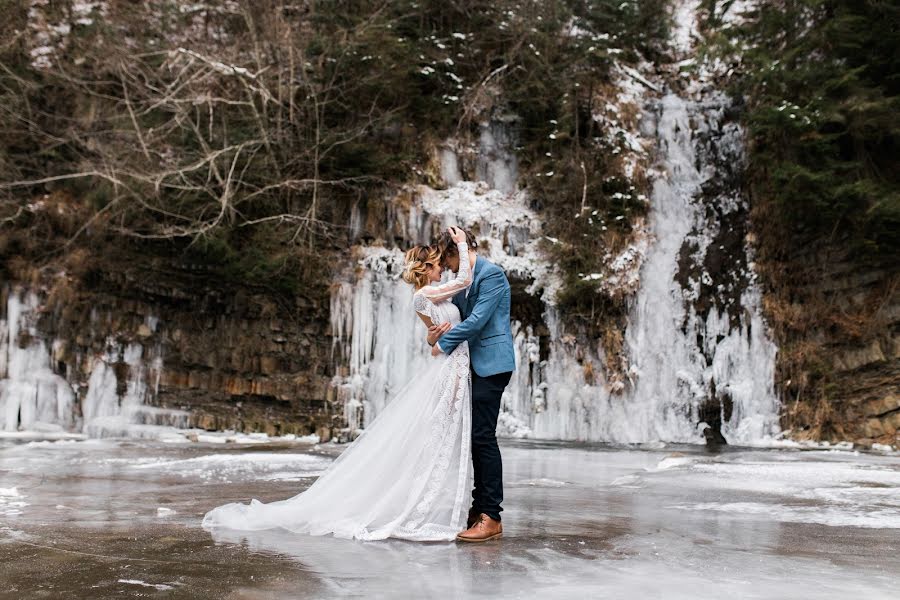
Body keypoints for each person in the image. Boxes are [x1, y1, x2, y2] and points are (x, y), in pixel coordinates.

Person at [201, 226, 479, 542]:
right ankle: (427, 506)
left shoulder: (437, 292)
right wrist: (460, 243)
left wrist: (435, 337)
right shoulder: (422, 296)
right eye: (437, 262)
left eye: (443, 261)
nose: (443, 266)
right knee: (439, 438)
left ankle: (444, 504)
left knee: (445, 438)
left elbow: (434, 341)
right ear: (426, 268)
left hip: (455, 365)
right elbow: (462, 288)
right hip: (448, 369)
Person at [428, 228, 515, 542]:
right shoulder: (462, 280)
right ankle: (480, 510)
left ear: (456, 252)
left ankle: (491, 515)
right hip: (470, 366)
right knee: (476, 437)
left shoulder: (491, 275)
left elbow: (477, 320)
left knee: (482, 436)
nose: (447, 268)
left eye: (447, 259)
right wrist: (433, 334)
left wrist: (443, 345)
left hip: (492, 365)